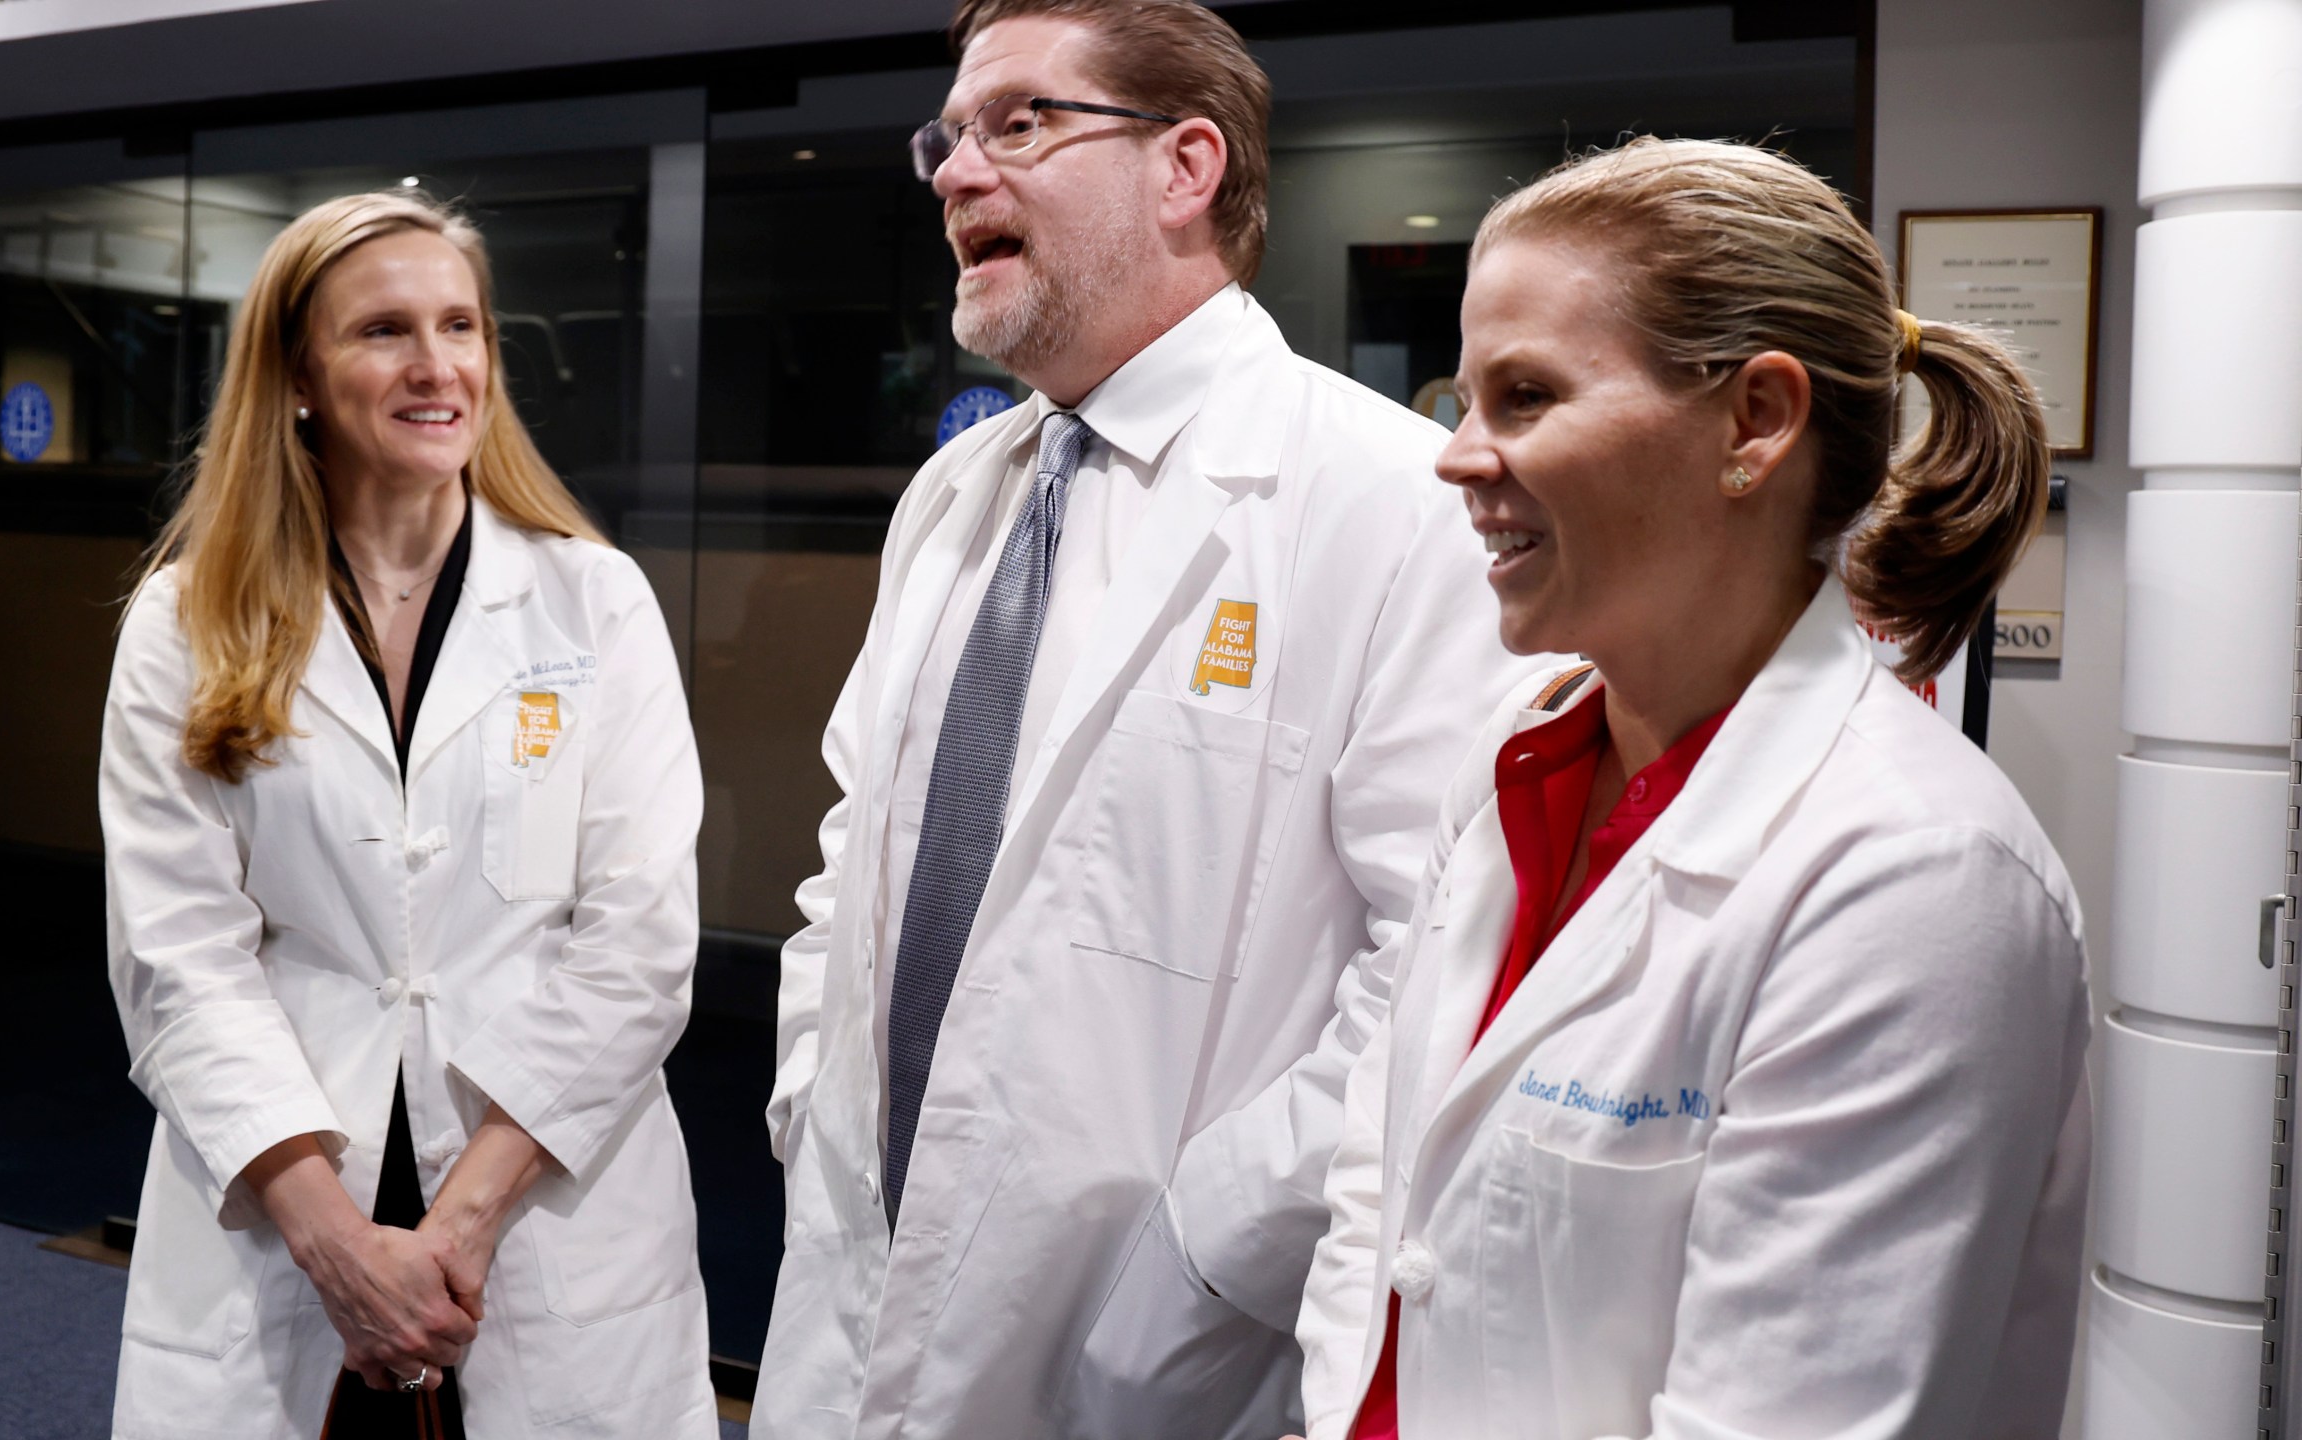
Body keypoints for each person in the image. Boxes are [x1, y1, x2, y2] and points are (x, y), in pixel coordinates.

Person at [752, 2, 1528, 1436]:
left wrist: (1201, 1263)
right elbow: (856, 846)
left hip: (1167, 1350)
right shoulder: (955, 497)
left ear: (1184, 168)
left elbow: (1436, 970)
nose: (954, 172)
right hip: (858, 1280)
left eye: (1022, 123)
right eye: (951, 132)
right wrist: (819, 1099)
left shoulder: (1393, 504)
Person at [1291, 137, 2089, 1440]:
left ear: (1754, 422)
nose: (1457, 457)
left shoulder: (1912, 879)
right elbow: (1382, 1200)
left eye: (1527, 397)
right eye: (1464, 401)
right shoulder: (1519, 756)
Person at [99, 191, 716, 1439]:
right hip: (288, 1198)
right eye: (385, 331)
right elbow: (177, 958)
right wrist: (337, 1246)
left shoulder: (593, 601)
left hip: (537, 1202)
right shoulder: (182, 622)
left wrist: (456, 1227)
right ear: (298, 379)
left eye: (463, 327)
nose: (438, 367)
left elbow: (637, 943)